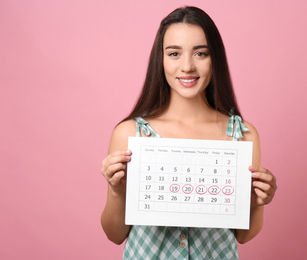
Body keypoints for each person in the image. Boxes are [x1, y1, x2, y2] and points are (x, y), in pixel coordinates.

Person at [100, 6, 277, 259]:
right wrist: (117, 190)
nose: (187, 66)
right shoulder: (131, 133)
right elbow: (114, 234)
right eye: (174, 53)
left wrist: (258, 202)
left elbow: (243, 235)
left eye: (201, 53)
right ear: (160, 60)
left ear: (215, 58)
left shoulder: (243, 135)